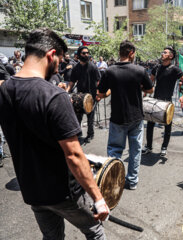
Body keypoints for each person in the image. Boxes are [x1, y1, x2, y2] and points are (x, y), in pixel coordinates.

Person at [0, 28, 109, 239]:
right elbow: (74, 155)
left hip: (32, 189)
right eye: (59, 60)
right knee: (94, 231)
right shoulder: (54, 95)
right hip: (62, 192)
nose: (59, 65)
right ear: (51, 55)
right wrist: (98, 198)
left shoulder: (5, 90)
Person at [97, 40, 153, 190]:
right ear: (131, 53)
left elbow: (101, 93)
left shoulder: (109, 71)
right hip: (136, 117)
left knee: (115, 150)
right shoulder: (139, 70)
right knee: (135, 151)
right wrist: (139, 86)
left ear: (120, 53)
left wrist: (112, 89)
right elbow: (150, 90)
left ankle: (114, 182)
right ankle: (132, 181)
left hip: (117, 117)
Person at [142, 46, 183, 157]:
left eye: (165, 52)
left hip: (167, 101)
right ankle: (149, 146)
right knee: (150, 123)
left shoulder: (175, 69)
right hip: (155, 100)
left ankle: (164, 147)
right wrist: (145, 91)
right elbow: (151, 81)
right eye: (162, 52)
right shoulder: (157, 68)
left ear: (171, 56)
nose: (162, 53)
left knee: (167, 124)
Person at [67, 46, 101, 143]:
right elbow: (72, 81)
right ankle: (78, 134)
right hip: (80, 96)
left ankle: (90, 134)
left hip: (91, 96)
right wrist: (67, 91)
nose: (86, 54)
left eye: (87, 53)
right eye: (84, 53)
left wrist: (98, 94)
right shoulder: (76, 68)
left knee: (90, 117)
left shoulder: (93, 67)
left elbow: (99, 81)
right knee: (78, 116)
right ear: (78, 55)